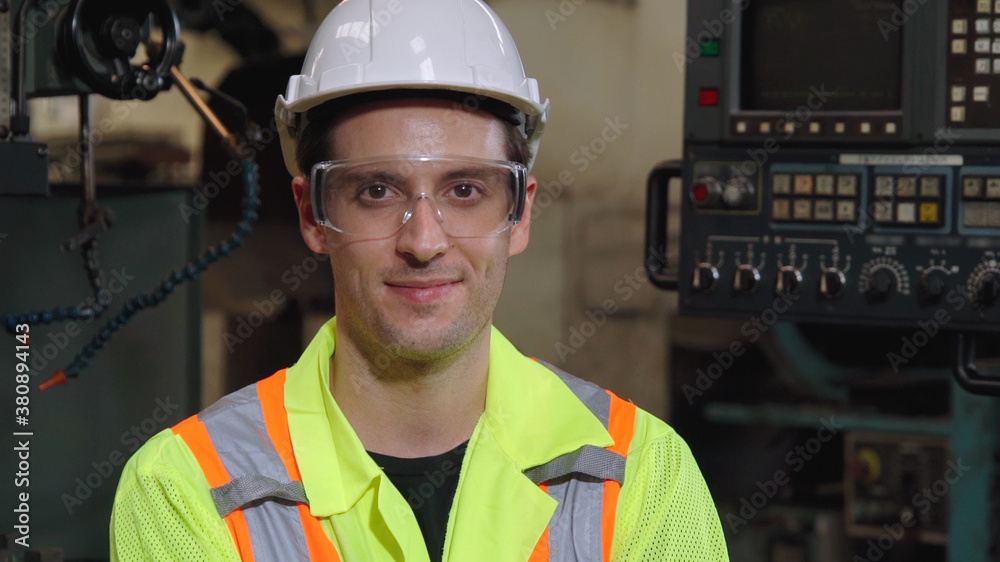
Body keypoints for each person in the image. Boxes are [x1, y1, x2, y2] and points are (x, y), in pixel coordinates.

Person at [109, 0, 729, 560]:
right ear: (313, 215)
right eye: (377, 191)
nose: (424, 241)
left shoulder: (643, 476)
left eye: (465, 190)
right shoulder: (188, 488)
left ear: (520, 213)